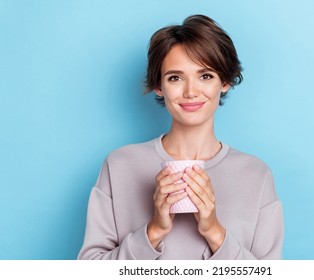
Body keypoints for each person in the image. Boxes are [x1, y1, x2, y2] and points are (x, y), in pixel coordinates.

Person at [78, 15, 283, 260]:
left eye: (205, 76)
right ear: (158, 86)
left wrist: (214, 232)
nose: (191, 91)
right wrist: (154, 231)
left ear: (225, 81)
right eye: (175, 77)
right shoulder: (120, 165)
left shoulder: (256, 174)